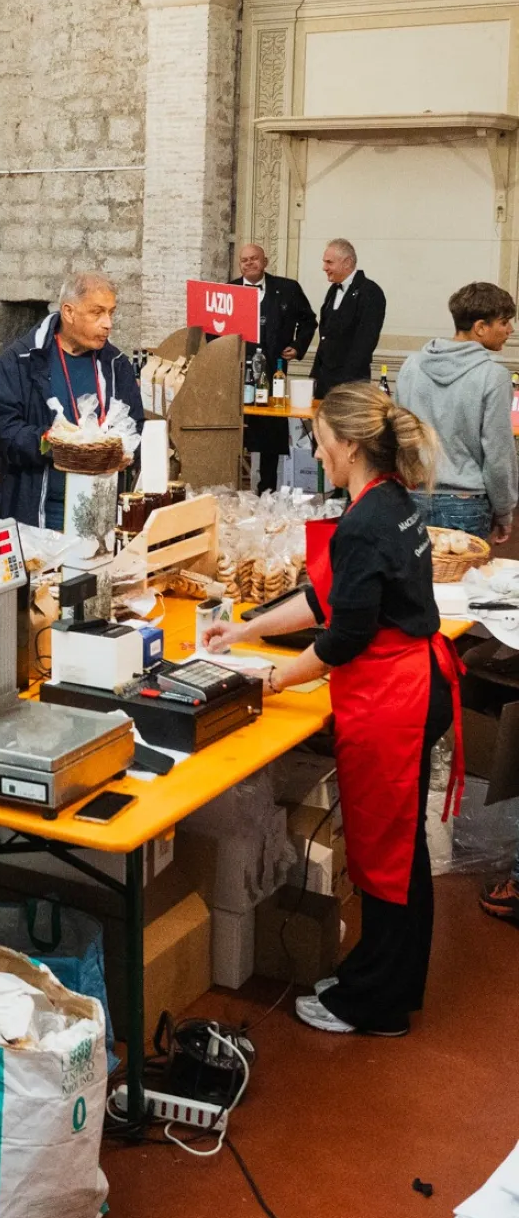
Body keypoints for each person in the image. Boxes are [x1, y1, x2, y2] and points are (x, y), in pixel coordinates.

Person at [203, 383, 459, 1037]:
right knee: (393, 855)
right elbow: (328, 597)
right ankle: (379, 974)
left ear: (349, 445)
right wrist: (245, 631)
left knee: (386, 859)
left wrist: (274, 680)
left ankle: (376, 1004)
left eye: (321, 442)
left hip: (392, 700)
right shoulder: (391, 502)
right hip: (411, 684)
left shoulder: (369, 519)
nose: (318, 454)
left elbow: (342, 636)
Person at [0, 272, 143, 530]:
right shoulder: (20, 361)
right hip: (41, 515)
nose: (108, 324)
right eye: (97, 313)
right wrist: (54, 444)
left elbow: (136, 424)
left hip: (103, 511)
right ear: (69, 312)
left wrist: (126, 449)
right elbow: (2, 431)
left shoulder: (116, 365)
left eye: (111, 313)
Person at [396, 281, 517, 544]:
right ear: (480, 328)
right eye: (504, 322)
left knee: (411, 584)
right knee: (464, 585)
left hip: (411, 495)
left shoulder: (411, 366)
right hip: (466, 503)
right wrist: (505, 511)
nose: (510, 330)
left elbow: (396, 434)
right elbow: (498, 455)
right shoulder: (493, 376)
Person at [236, 243, 317, 494]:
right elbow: (211, 331)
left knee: (270, 431)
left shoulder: (287, 289)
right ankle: (234, 488)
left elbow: (308, 320)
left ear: (265, 261)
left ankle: (267, 488)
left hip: (274, 372)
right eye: (244, 260)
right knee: (236, 430)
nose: (249, 263)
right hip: (237, 375)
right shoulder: (229, 290)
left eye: (254, 259)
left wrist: (297, 345)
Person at [310, 240, 387, 399]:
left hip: (350, 384)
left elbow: (365, 343)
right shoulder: (333, 290)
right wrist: (316, 375)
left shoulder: (370, 292)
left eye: (329, 262)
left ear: (347, 262)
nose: (324, 268)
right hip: (324, 382)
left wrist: (344, 385)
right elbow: (326, 337)